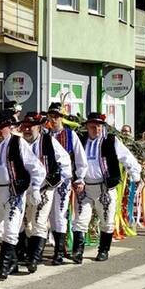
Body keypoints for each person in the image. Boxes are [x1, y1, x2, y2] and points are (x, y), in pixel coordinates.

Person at [0, 110, 45, 279]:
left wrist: (35, 188)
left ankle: (4, 266)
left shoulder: (18, 142)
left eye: (0, 127)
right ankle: (13, 262)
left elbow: (36, 167)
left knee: (11, 228)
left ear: (9, 127)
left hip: (14, 191)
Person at [75, 112, 142, 260]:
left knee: (107, 221)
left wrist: (135, 174)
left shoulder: (110, 140)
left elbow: (126, 157)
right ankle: (78, 252)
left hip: (105, 188)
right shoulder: (81, 140)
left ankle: (103, 250)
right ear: (87, 127)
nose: (96, 129)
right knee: (80, 220)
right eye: (93, 126)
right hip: (85, 187)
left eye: (99, 126)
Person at [20, 112, 71, 271]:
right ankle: (29, 252)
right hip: (23, 190)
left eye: (31, 126)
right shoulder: (19, 142)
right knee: (27, 224)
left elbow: (65, 162)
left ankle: (34, 259)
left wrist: (55, 182)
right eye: (25, 126)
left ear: (39, 127)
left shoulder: (48, 141)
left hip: (44, 189)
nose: (27, 129)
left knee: (39, 222)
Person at [45, 103, 88, 264]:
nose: (53, 119)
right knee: (47, 214)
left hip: (63, 180)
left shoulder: (70, 135)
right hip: (46, 181)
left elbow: (80, 158)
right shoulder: (45, 134)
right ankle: (57, 248)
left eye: (56, 116)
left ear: (61, 118)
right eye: (51, 116)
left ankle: (59, 253)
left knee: (60, 213)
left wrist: (80, 178)